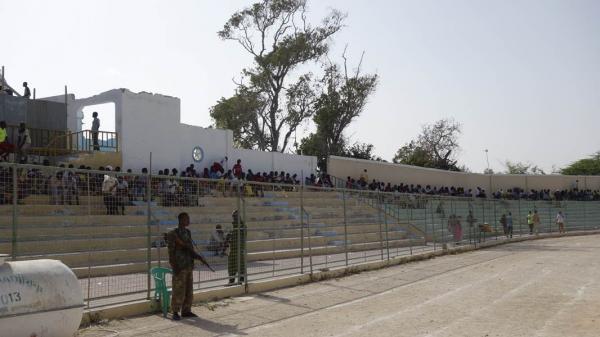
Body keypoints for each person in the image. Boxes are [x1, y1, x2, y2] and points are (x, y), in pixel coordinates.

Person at [166, 212, 213, 321]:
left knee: (188, 290)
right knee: (178, 290)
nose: (188, 220)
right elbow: (170, 252)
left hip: (188, 265)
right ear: (181, 220)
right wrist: (174, 266)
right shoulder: (173, 233)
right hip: (179, 265)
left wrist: (199, 257)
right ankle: (175, 311)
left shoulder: (188, 232)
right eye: (187, 219)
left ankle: (186, 310)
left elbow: (190, 250)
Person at [226, 209, 246, 285]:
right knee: (231, 265)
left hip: (239, 248)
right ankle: (231, 280)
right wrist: (229, 236)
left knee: (240, 264)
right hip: (233, 248)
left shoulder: (242, 226)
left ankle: (240, 280)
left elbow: (242, 236)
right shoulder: (233, 227)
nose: (234, 218)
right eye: (233, 216)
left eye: (235, 216)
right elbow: (230, 236)